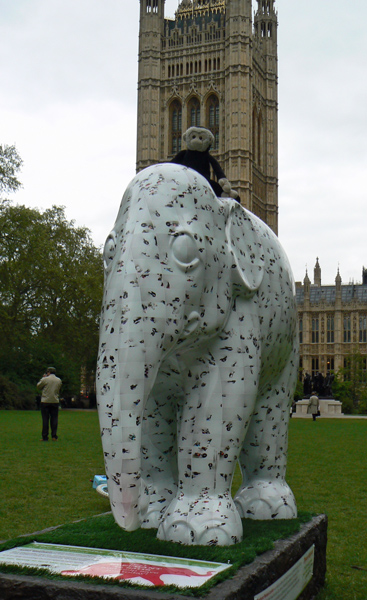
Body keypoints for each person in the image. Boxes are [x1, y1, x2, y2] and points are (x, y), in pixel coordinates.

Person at [37, 367, 62, 441]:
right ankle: (54, 436)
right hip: (55, 401)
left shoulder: (45, 379)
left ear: (48, 372)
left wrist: (43, 378)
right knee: (54, 419)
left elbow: (38, 386)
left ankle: (45, 436)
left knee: (45, 419)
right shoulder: (58, 380)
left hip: (45, 401)